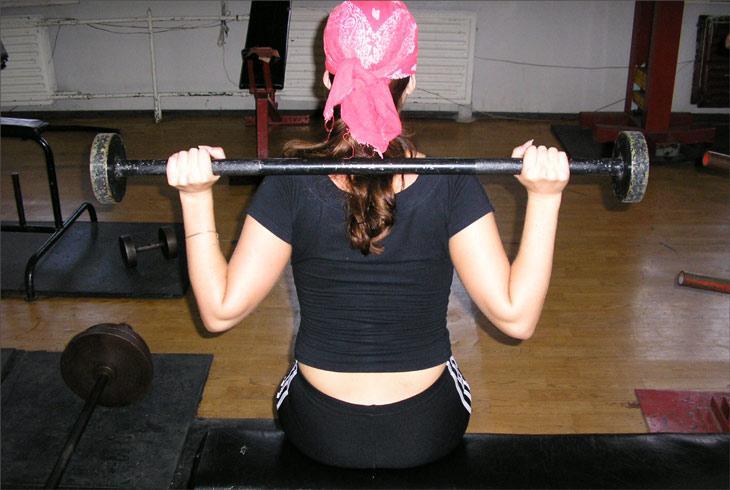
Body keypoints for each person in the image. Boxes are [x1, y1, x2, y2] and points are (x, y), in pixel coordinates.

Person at [166, 0, 569, 469]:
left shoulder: (289, 182)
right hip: (427, 429)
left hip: (319, 429)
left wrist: (195, 197)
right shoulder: (451, 182)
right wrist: (545, 197)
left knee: (289, 385)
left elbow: (218, 313)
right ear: (409, 83)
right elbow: (517, 320)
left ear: (328, 80)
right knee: (455, 380)